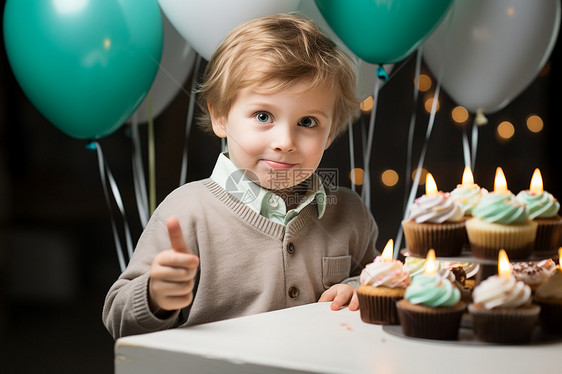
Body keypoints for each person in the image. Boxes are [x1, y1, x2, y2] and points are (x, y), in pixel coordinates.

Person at [103, 13, 378, 339]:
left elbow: (376, 276)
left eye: (307, 122)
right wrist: (154, 295)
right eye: (263, 116)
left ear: (331, 132)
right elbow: (118, 317)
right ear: (220, 117)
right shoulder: (188, 213)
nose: (285, 143)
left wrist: (358, 288)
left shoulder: (349, 211)